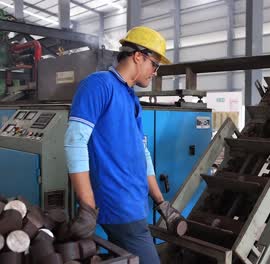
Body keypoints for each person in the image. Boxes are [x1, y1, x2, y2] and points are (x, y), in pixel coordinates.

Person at [64, 26, 184, 264]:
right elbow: (74, 142)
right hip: (118, 204)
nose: (155, 72)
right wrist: (87, 207)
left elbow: (143, 153)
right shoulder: (99, 85)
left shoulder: (131, 99)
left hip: (135, 203)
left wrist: (161, 203)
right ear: (138, 56)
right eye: (154, 65)